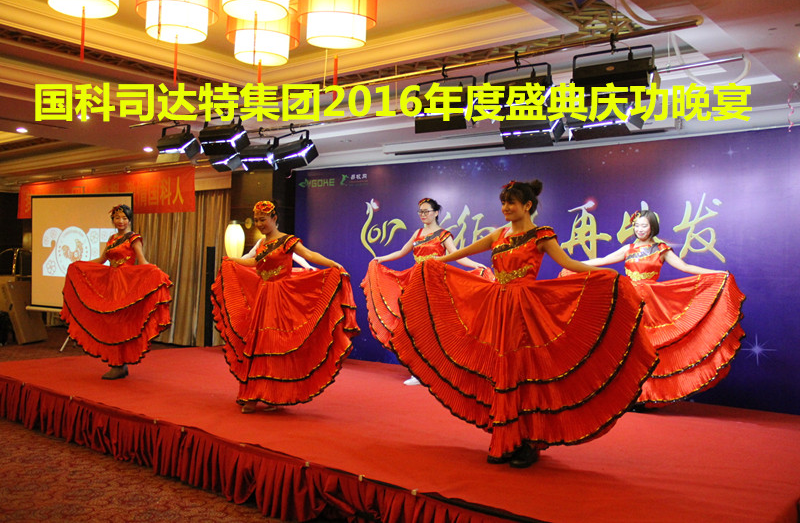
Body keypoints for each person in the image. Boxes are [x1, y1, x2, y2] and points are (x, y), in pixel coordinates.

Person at [389, 181, 658, 468]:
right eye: (503, 202)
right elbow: (461, 253)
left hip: (526, 310)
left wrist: (610, 277)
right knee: (501, 370)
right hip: (498, 306)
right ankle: (507, 438)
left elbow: (570, 263)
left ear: (527, 205)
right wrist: (434, 262)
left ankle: (528, 442)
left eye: (511, 203)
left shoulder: (542, 235)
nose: (505, 208)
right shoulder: (498, 234)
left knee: (523, 371)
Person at [575, 209, 745, 408]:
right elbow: (602, 261)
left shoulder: (661, 249)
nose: (640, 229)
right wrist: (572, 264)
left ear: (652, 227)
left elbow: (685, 267)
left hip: (651, 303)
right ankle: (625, 394)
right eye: (637, 226)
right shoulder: (628, 249)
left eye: (644, 226)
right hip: (627, 300)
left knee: (648, 347)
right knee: (626, 346)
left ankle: (645, 395)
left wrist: (716, 273)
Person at [211, 200, 359, 414]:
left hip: (281, 297)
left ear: (274, 218)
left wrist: (332, 264)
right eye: (257, 220)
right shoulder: (261, 244)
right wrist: (232, 261)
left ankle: (272, 394)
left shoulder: (287, 241)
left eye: (263, 220)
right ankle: (255, 394)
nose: (259, 224)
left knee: (274, 344)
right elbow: (255, 263)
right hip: (263, 296)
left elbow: (309, 255)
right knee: (258, 344)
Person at [361, 197, 490, 385]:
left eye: (426, 211)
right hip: (415, 281)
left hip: (434, 282)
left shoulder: (444, 235)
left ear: (436, 213)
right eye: (420, 211)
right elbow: (401, 252)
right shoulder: (418, 233)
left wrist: (476, 265)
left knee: (434, 325)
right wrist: (380, 259)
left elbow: (456, 255)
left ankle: (436, 369)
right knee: (416, 326)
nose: (423, 214)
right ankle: (419, 371)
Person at [61, 204, 173, 380]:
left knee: (121, 321)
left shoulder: (134, 238)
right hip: (111, 282)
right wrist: (79, 266)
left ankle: (119, 364)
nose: (120, 221)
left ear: (129, 220)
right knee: (111, 321)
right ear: (113, 220)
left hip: (125, 282)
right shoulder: (112, 239)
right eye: (117, 218)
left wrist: (155, 273)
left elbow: (142, 260)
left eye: (124, 218)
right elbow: (101, 260)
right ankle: (117, 363)